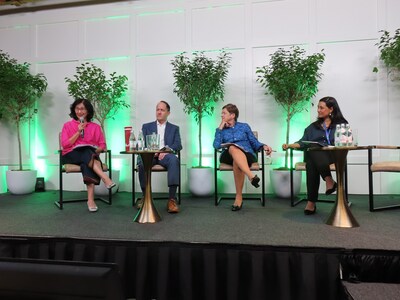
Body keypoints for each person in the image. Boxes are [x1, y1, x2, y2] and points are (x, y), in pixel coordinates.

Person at [282, 96, 348, 215]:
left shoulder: (341, 124)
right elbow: (303, 142)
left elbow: (347, 142)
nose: (318, 110)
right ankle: (329, 180)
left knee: (312, 156)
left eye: (321, 108)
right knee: (312, 158)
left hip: (334, 156)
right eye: (318, 107)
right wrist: (291, 145)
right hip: (316, 156)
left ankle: (311, 202)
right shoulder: (313, 127)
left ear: (331, 109)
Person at [213, 103, 273, 211]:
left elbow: (254, 142)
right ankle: (251, 176)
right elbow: (216, 146)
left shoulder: (244, 126)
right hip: (228, 156)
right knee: (232, 147)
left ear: (232, 115)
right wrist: (220, 128)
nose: (221, 115)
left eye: (224, 113)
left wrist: (264, 146)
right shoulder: (221, 130)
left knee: (237, 162)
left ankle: (238, 197)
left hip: (247, 154)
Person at [60, 98, 116, 212]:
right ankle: (105, 178)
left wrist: (97, 150)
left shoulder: (95, 127)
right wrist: (78, 132)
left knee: (87, 159)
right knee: (87, 152)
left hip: (89, 157)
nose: (79, 111)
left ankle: (90, 200)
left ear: (88, 111)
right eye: (77, 108)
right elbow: (65, 145)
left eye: (82, 109)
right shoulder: (67, 125)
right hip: (70, 155)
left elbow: (102, 145)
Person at [137, 100, 182, 213]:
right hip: (150, 155)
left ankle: (172, 199)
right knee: (142, 163)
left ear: (168, 113)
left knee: (174, 160)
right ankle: (145, 196)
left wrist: (166, 150)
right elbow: (140, 143)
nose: (159, 112)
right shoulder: (146, 126)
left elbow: (178, 144)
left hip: (166, 155)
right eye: (157, 109)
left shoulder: (174, 128)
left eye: (162, 110)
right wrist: (151, 151)